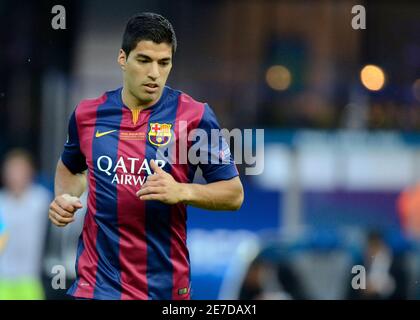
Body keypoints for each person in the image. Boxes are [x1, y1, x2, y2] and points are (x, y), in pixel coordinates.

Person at [48, 12, 244, 300]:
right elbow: (72, 169)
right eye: (144, 60)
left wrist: (182, 190)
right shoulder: (88, 115)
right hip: (95, 284)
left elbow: (234, 194)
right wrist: (64, 197)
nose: (154, 73)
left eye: (163, 63)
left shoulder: (195, 116)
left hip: (163, 287)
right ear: (122, 59)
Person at [0, 149, 51, 299]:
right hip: (3, 279)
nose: (16, 175)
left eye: (20, 170)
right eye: (12, 170)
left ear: (31, 172)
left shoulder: (42, 199)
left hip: (31, 280)